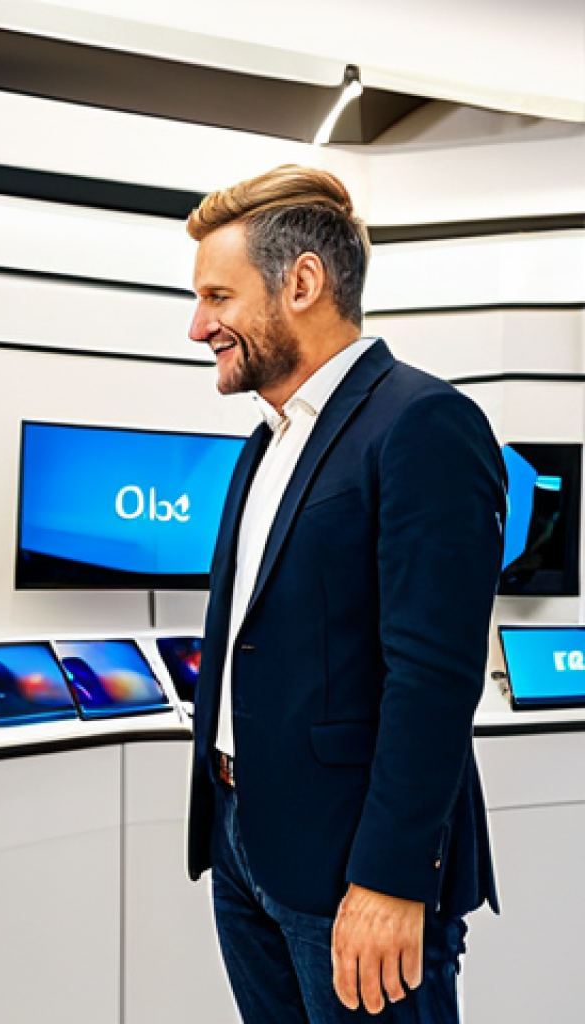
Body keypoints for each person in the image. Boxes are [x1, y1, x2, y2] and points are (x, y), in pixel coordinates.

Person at [185, 165, 504, 1023]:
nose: (197, 326)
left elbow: (433, 680)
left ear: (303, 283)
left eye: (217, 296)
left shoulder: (423, 424)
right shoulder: (266, 443)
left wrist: (392, 879)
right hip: (247, 843)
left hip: (356, 867)